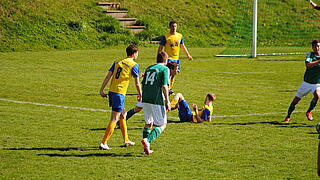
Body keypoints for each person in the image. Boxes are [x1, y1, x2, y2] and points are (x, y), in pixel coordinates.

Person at [99, 45, 142, 150]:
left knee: (123, 115)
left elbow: (109, 75)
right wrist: (141, 94)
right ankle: (104, 142)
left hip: (112, 91)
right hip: (119, 93)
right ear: (134, 53)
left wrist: (101, 89)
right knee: (114, 118)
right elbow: (137, 83)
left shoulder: (117, 62)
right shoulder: (134, 65)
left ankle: (126, 140)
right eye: (137, 53)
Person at [140, 52, 171, 155]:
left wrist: (142, 96)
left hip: (146, 98)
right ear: (166, 60)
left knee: (149, 123)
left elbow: (143, 84)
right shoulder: (165, 69)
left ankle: (146, 148)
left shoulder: (149, 68)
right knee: (162, 125)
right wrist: (167, 100)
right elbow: (164, 86)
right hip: (156, 99)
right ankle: (147, 140)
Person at [283, 40, 320, 123]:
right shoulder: (310, 54)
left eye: (318, 46)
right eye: (315, 46)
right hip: (306, 83)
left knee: (317, 95)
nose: (317, 48)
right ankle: (288, 116)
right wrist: (318, 61)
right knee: (295, 101)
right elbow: (308, 65)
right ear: (312, 47)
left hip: (317, 83)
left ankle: (309, 111)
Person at [158, 21, 193, 90]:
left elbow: (182, 46)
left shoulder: (180, 36)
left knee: (174, 74)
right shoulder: (166, 37)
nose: (174, 28)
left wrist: (188, 55)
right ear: (169, 27)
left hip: (176, 59)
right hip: (168, 59)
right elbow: (160, 47)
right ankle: (166, 88)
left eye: (175, 26)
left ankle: (169, 88)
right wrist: (159, 56)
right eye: (172, 26)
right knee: (168, 74)